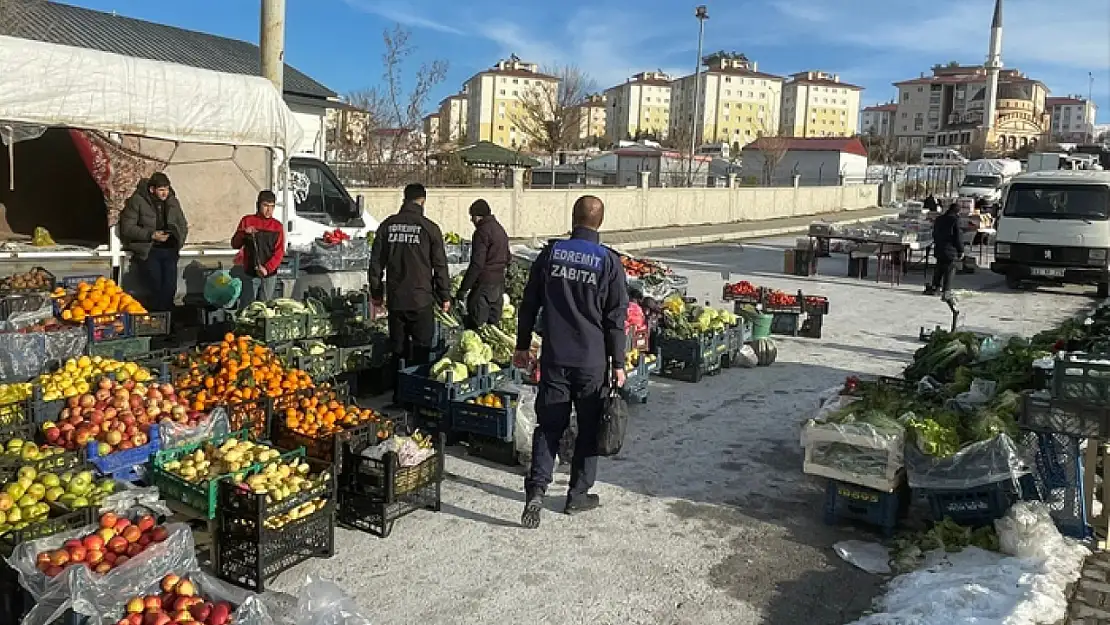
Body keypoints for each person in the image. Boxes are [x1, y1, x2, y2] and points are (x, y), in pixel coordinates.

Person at [513, 195, 628, 529]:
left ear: (573, 218)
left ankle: (536, 488)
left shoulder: (550, 255)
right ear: (599, 223)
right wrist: (618, 363)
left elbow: (528, 304)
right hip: (591, 361)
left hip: (555, 358)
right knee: (589, 428)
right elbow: (615, 319)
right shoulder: (608, 262)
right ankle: (577, 496)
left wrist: (522, 345)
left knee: (549, 426)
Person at [368, 183, 451, 406]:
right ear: (422, 201)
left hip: (396, 299)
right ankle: (419, 396)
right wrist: (445, 295)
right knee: (422, 349)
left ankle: (399, 395)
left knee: (398, 349)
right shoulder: (429, 228)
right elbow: (440, 266)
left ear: (404, 199)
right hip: (421, 299)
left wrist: (376, 293)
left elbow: (375, 264)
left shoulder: (387, 226)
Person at [119, 172, 188, 312]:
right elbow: (127, 228)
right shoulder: (138, 201)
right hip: (149, 250)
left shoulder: (172, 201)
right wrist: (151, 235)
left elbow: (182, 224)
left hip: (169, 250)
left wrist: (178, 242)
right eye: (161, 189)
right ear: (152, 189)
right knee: (155, 288)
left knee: (170, 288)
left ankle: (167, 323)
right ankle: (157, 321)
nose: (165, 193)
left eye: (167, 189)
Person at [455, 199, 510, 329]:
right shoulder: (499, 229)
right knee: (492, 326)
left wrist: (463, 288)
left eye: (472, 217)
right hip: (498, 284)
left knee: (478, 324)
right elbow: (508, 257)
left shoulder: (481, 232)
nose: (471, 220)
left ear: (478, 216)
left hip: (484, 285)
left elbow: (477, 264)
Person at [231, 190, 285, 309]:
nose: (269, 210)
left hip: (269, 275)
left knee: (265, 308)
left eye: (272, 207)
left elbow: (279, 252)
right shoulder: (247, 221)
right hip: (250, 273)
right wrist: (243, 233)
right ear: (258, 205)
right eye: (265, 206)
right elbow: (235, 244)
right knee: (247, 307)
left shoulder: (277, 226)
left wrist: (267, 268)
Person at [925, 202, 965, 298]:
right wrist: (961, 250)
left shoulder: (939, 219)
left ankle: (936, 287)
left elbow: (934, 233)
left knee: (939, 268)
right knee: (950, 269)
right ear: (958, 211)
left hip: (939, 247)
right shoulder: (955, 220)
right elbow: (958, 237)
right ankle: (946, 290)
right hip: (951, 249)